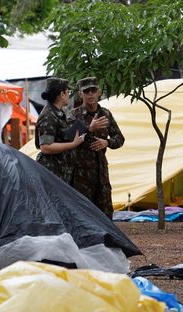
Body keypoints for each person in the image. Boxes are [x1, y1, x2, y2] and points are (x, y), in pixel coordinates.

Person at [72, 77, 125, 218]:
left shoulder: (105, 114)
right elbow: (70, 141)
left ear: (99, 92)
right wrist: (90, 128)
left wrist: (107, 142)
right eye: (86, 91)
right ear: (80, 94)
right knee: (84, 216)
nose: (90, 94)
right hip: (81, 177)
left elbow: (120, 139)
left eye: (93, 90)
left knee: (106, 215)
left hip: (101, 175)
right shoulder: (74, 115)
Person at [34, 77, 85, 184]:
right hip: (52, 174)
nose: (69, 95)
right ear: (62, 94)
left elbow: (62, 135)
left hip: (62, 172)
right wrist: (73, 144)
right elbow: (46, 147)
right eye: (68, 92)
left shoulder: (59, 112)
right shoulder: (48, 116)